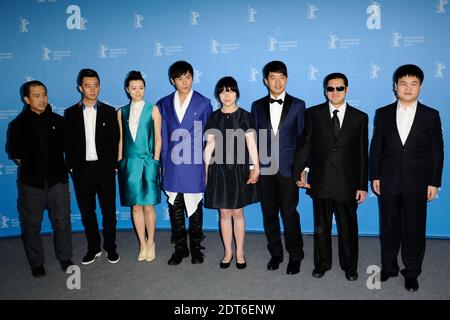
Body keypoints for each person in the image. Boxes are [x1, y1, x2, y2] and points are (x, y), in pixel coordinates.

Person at [370, 64, 444, 292]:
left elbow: (437, 151)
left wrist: (434, 182)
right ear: (395, 86)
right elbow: (377, 148)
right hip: (389, 180)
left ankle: (411, 271)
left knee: (414, 227)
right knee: (389, 226)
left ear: (420, 87)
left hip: (418, 182)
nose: (408, 88)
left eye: (413, 84)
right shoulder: (382, 113)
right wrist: (375, 176)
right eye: (403, 83)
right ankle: (389, 267)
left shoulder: (431, 115)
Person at [293, 72, 368, 281]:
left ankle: (350, 266)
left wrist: (362, 185)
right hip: (321, 181)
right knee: (321, 227)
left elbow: (363, 153)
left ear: (347, 89)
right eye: (330, 88)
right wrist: (301, 172)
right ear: (325, 90)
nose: (335, 92)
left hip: (348, 183)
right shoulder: (313, 113)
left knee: (348, 228)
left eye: (339, 88)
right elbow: (306, 147)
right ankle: (322, 263)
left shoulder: (359, 117)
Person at [7, 80, 73, 277]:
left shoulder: (58, 121)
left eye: (44, 94)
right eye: (36, 95)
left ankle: (65, 257)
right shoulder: (18, 125)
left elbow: (67, 149)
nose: (42, 99)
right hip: (31, 184)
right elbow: (17, 155)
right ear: (27, 99)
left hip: (57, 182)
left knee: (62, 222)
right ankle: (36, 263)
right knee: (31, 226)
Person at [251, 61, 305, 275]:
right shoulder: (257, 106)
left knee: (290, 213)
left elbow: (303, 139)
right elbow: (252, 138)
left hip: (289, 169)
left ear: (287, 79)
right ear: (266, 81)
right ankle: (276, 254)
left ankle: (295, 255)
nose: (277, 82)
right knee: (269, 214)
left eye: (281, 77)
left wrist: (303, 168)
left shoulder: (299, 105)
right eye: (273, 77)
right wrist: (252, 166)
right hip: (265, 170)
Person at [157, 61, 213, 265]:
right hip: (172, 163)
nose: (185, 82)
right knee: (176, 206)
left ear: (193, 77)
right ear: (173, 80)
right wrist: (163, 163)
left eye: (188, 77)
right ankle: (180, 249)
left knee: (196, 206)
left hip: (195, 162)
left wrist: (207, 165)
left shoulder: (204, 103)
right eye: (180, 78)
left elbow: (209, 137)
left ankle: (196, 248)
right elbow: (162, 136)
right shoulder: (163, 104)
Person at [64, 68, 120, 265]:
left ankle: (111, 247)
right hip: (82, 171)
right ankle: (93, 247)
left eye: (96, 85)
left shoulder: (109, 111)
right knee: (87, 212)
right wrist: (71, 167)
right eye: (88, 86)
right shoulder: (70, 113)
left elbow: (115, 141)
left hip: (104, 170)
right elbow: (68, 143)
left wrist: (113, 166)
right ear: (80, 87)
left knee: (108, 211)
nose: (92, 89)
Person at [204, 76, 260, 270]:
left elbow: (252, 144)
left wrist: (256, 167)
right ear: (218, 95)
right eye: (222, 91)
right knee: (224, 212)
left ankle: (240, 252)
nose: (226, 95)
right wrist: (205, 171)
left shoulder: (245, 116)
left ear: (236, 93)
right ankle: (228, 251)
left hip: (239, 169)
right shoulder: (213, 116)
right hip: (218, 169)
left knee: (237, 211)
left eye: (230, 91)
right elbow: (209, 146)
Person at [117, 71, 162, 262]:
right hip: (129, 164)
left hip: (148, 162)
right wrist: (120, 161)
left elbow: (158, 138)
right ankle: (142, 244)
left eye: (141, 88)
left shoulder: (153, 109)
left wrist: (156, 161)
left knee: (149, 207)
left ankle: (151, 242)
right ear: (127, 90)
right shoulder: (121, 112)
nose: (138, 91)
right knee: (136, 207)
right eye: (133, 88)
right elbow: (121, 139)